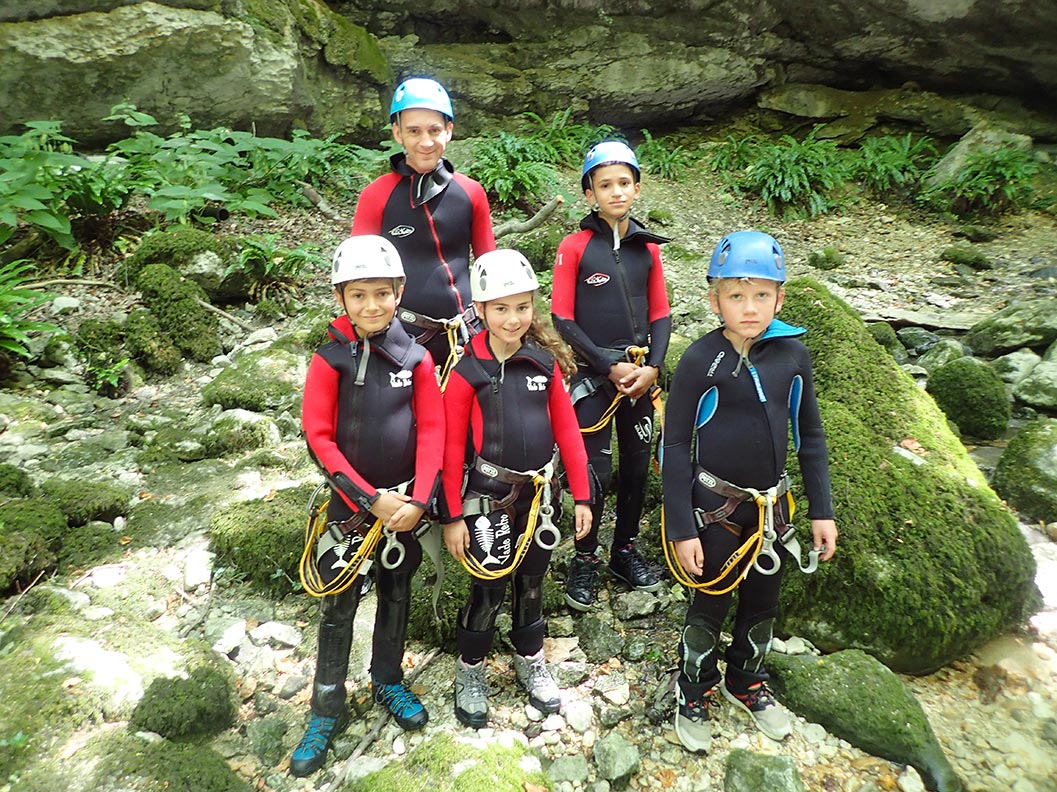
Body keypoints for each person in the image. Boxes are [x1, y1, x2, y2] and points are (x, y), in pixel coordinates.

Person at [660, 231, 838, 754]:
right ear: (714, 299)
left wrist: (820, 511)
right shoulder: (700, 360)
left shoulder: (792, 356)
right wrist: (681, 526)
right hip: (715, 508)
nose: (750, 307)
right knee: (710, 601)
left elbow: (811, 437)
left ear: (780, 298)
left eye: (762, 295)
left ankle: (746, 680)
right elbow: (673, 446)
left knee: (763, 601)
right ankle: (692, 689)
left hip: (773, 508)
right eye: (736, 296)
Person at [291, 235, 445, 776]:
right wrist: (368, 498)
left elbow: (433, 430)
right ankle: (325, 707)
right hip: (352, 508)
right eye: (359, 295)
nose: (372, 306)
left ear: (399, 292)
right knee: (338, 607)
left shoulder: (417, 357)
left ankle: (387, 681)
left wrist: (420, 499)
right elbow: (319, 437)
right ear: (341, 296)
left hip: (404, 505)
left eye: (382, 293)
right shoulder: (329, 358)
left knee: (396, 594)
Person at [439, 248, 593, 728]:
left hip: (538, 498)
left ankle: (531, 657)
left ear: (534, 307)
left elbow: (568, 431)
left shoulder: (543, 363)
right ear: (480, 311)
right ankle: (471, 669)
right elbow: (448, 451)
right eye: (501, 308)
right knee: (488, 587)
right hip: (487, 498)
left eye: (522, 306)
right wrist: (451, 516)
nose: (512, 318)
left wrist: (582, 494)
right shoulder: (468, 371)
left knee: (532, 582)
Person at [551, 140, 672, 611]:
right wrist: (608, 364)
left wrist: (653, 368)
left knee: (638, 467)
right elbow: (562, 318)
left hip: (640, 375)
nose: (616, 192)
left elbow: (661, 314)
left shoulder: (648, 249)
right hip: (593, 376)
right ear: (589, 194)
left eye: (624, 183)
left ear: (637, 188)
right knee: (594, 470)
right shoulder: (575, 247)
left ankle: (623, 550)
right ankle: (584, 556)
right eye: (605, 185)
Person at [352, 76, 496, 383]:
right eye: (414, 131)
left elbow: (489, 269)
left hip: (467, 333)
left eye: (434, 130)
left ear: (449, 130)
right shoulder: (376, 196)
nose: (426, 141)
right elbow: (357, 276)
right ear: (397, 133)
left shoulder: (471, 193)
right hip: (403, 336)